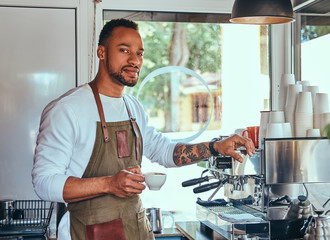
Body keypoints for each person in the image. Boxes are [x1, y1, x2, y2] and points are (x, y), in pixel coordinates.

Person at [32, 18, 255, 240]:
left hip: (135, 228)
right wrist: (109, 184)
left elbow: (164, 151)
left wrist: (215, 147)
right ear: (101, 52)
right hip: (87, 232)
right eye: (124, 50)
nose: (134, 60)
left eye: (139, 53)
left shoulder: (132, 107)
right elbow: (44, 182)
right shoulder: (67, 109)